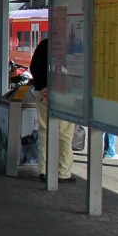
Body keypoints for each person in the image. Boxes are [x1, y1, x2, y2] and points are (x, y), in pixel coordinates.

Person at [31, 36, 75, 184]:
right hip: (65, 95)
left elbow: (34, 67)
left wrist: (43, 86)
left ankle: (44, 170)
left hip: (43, 93)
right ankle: (63, 172)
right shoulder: (71, 46)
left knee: (45, 132)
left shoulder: (45, 44)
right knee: (65, 134)